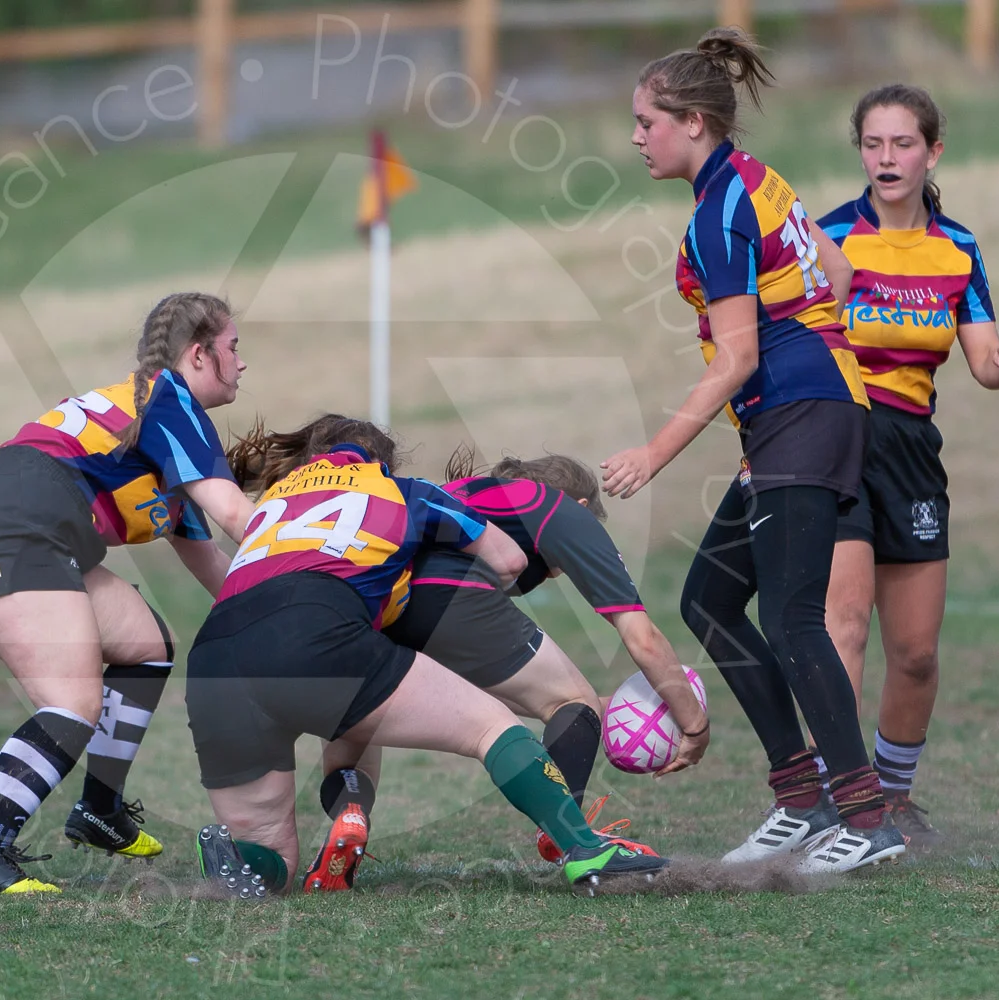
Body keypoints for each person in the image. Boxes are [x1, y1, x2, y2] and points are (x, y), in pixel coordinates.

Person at [601, 27, 906, 873]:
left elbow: (736, 357)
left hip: (802, 413)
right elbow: (836, 273)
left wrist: (651, 455)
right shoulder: (756, 179)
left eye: (646, 122)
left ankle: (866, 815)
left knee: (791, 616)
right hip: (805, 412)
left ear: (693, 121)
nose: (636, 137)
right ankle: (802, 798)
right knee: (709, 597)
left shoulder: (719, 210)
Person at [187, 416, 671, 897]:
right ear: (381, 461)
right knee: (491, 726)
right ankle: (585, 847)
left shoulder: (275, 501)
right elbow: (508, 560)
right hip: (314, 627)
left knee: (274, 861)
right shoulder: (405, 489)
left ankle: (238, 859)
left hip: (212, 657)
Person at [0, 292, 253, 895]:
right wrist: (310, 572)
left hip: (31, 525)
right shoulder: (168, 400)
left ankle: (98, 810)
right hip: (11, 523)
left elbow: (210, 558)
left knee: (146, 645)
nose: (242, 363)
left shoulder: (157, 413)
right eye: (234, 348)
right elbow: (236, 515)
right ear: (198, 354)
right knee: (72, 703)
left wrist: (265, 614)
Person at [309, 450, 708, 882]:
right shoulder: (563, 512)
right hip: (446, 594)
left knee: (357, 730)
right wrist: (695, 726)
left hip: (371, 600)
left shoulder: (471, 496)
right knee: (573, 701)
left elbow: (477, 678)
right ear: (583, 508)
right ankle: (569, 836)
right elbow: (642, 638)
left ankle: (350, 816)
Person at [818, 85, 999, 844]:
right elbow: (790, 343)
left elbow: (981, 362)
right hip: (836, 442)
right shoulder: (829, 239)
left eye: (902, 144)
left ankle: (894, 797)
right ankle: (842, 800)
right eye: (873, 144)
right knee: (841, 630)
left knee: (914, 653)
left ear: (932, 152)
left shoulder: (957, 249)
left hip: (911, 454)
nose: (886, 159)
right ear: (860, 151)